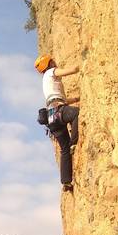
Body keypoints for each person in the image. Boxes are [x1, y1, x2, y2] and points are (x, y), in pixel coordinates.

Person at [35, 55, 80, 192]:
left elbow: (62, 100)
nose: (55, 62)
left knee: (64, 150)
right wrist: (81, 66)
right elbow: (71, 70)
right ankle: (74, 143)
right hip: (58, 111)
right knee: (76, 114)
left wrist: (78, 98)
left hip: (51, 118)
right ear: (49, 63)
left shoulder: (46, 81)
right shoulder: (51, 72)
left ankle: (66, 182)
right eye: (52, 61)